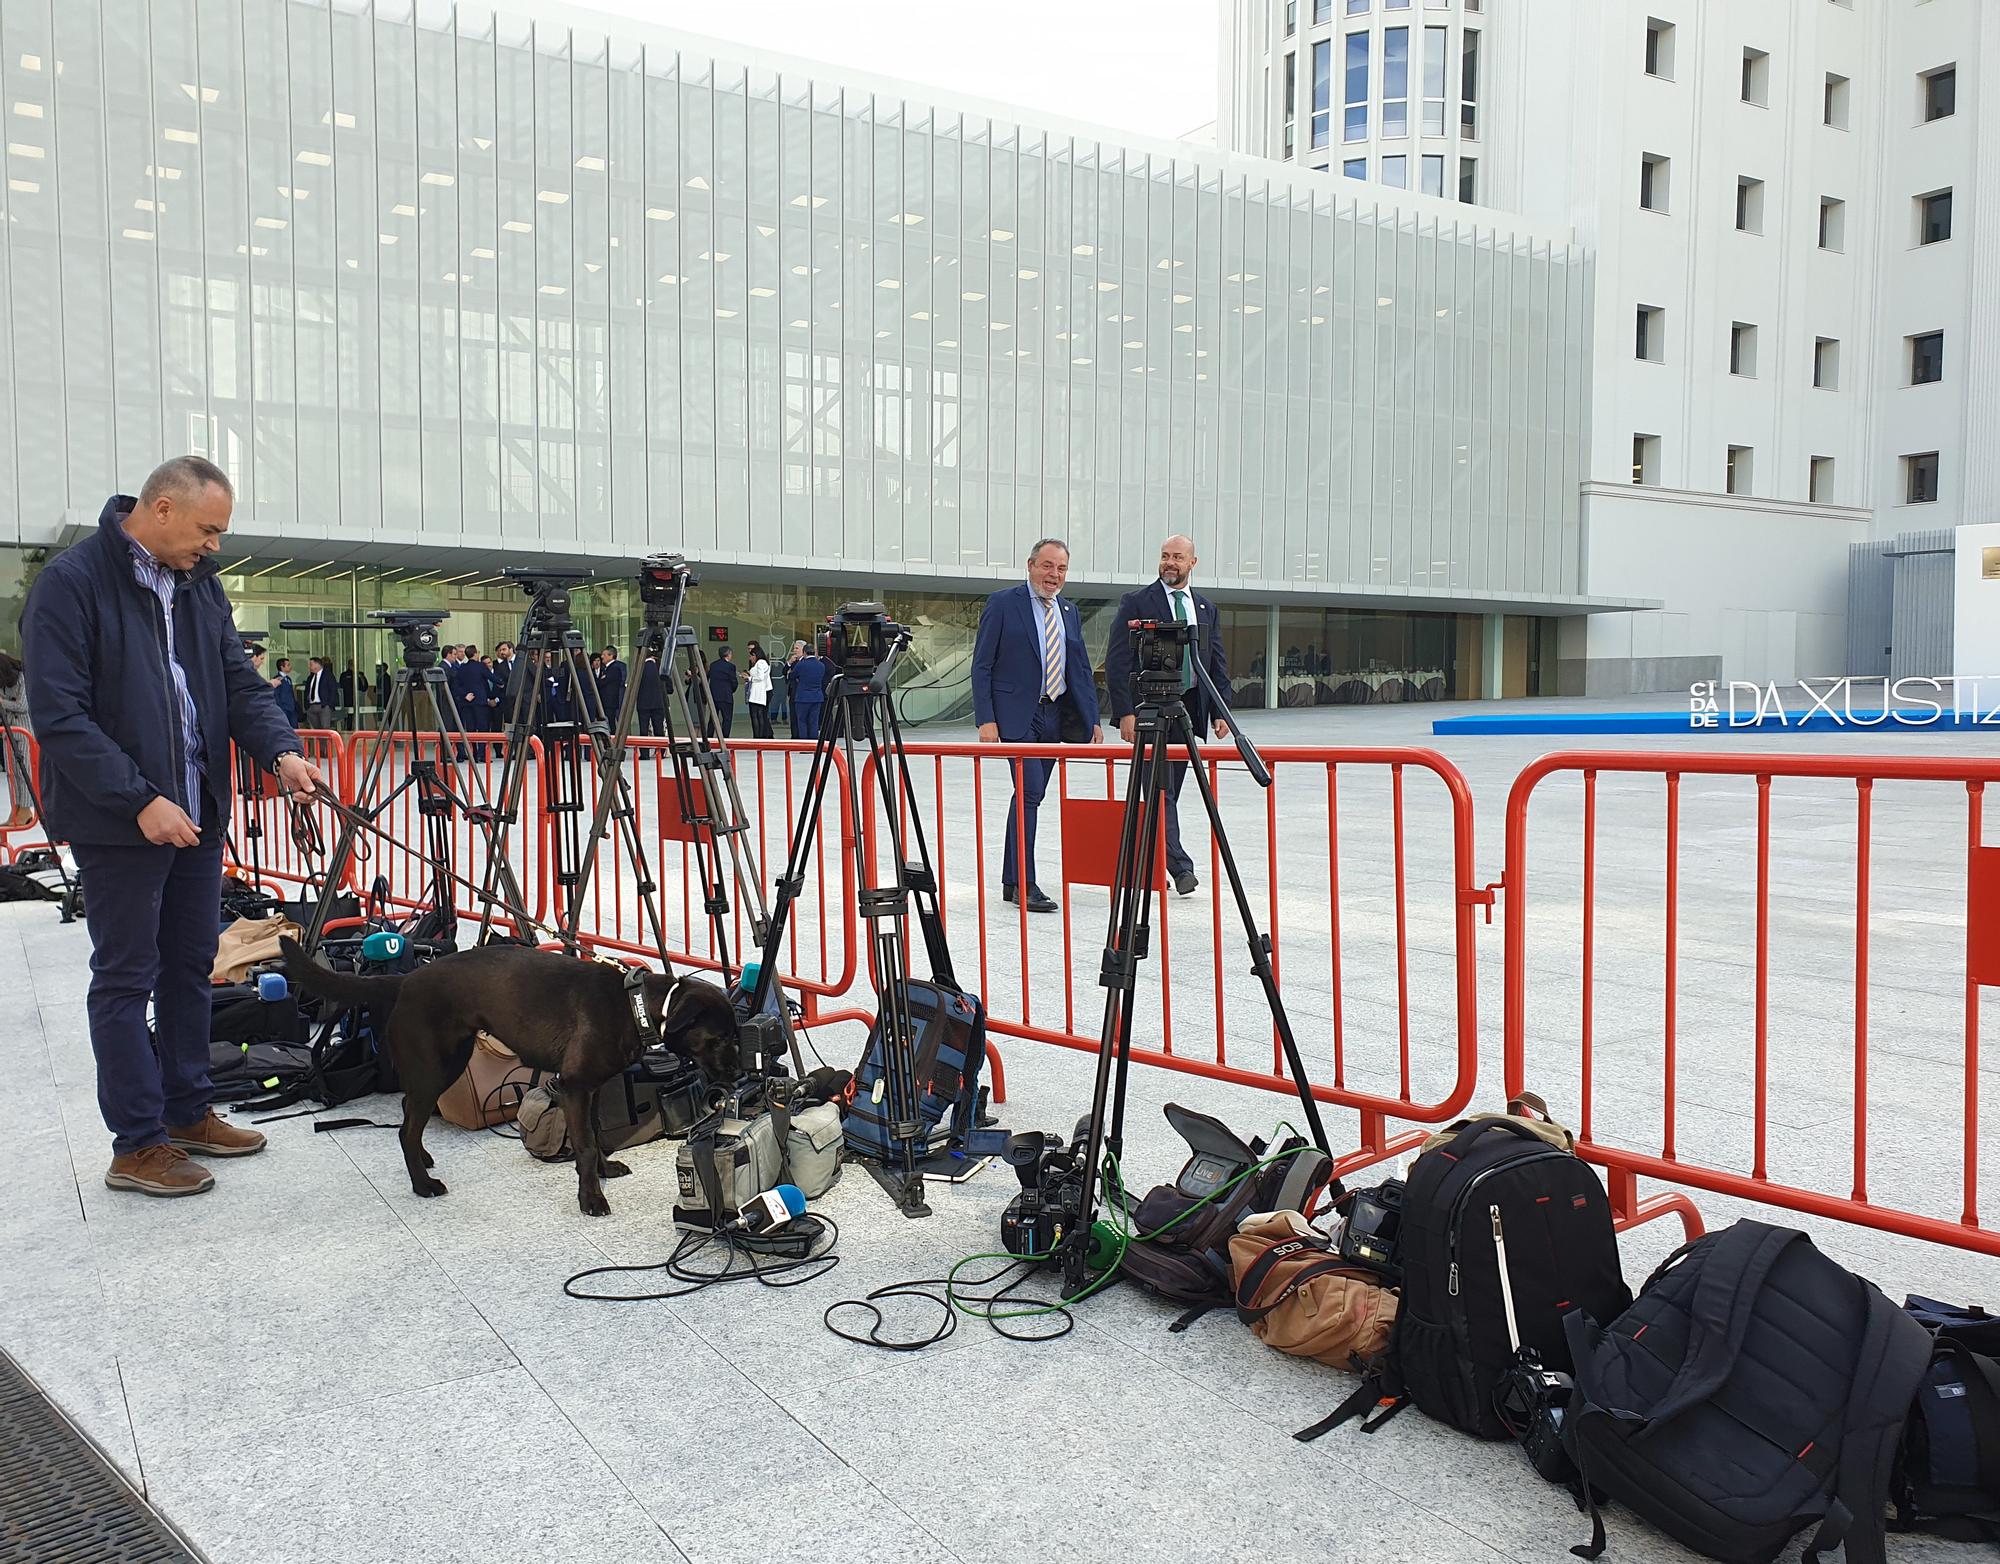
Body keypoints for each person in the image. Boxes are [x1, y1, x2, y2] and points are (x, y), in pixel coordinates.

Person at [20, 456, 328, 1197]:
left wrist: (282, 751)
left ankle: (189, 1110)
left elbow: (237, 686)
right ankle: (138, 1143)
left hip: (196, 813)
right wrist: (138, 800)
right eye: (208, 529)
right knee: (125, 978)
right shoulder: (71, 585)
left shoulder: (200, 588)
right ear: (161, 510)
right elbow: (60, 717)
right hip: (121, 821)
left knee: (190, 966)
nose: (214, 545)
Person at [971, 537, 1103, 912]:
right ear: (1030, 565)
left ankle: (1012, 881)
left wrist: (1092, 718)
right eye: (1047, 566)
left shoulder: (1069, 610)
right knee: (1029, 795)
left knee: (1031, 797)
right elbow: (982, 665)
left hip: (1054, 715)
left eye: (1061, 568)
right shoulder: (1002, 604)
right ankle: (1025, 883)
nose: (1054, 575)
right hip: (1016, 715)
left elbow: (1078, 668)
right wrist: (986, 719)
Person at [1103, 533, 1232, 898]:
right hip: (1150, 710)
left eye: (1177, 556)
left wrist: (1220, 709)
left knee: (1169, 788)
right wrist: (1125, 712)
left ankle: (1152, 859)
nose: (1169, 563)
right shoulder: (1136, 602)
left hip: (1189, 709)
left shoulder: (1205, 608)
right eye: (1164, 556)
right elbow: (1117, 662)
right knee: (1159, 790)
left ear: (1193, 562)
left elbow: (1216, 662)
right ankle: (1179, 865)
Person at [0, 649, 35, 827]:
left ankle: (26, 810)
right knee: (12, 775)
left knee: (24, 773)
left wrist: (2, 702)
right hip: (8, 733)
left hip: (24, 731)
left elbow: (22, 705)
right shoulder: (4, 683)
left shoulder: (22, 678)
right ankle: (15, 809)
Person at [787, 638, 828, 741]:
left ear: (804, 653)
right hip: (817, 697)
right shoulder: (821, 665)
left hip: (802, 697)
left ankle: (804, 744)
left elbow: (792, 676)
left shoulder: (801, 665)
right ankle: (814, 743)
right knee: (814, 721)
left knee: (802, 721)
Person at [706, 645, 738, 737]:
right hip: (726, 695)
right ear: (728, 654)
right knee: (727, 718)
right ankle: (725, 737)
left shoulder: (713, 665)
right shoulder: (730, 666)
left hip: (714, 695)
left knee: (712, 718)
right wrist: (731, 690)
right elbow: (733, 681)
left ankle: (710, 736)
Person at [633, 650, 668, 737]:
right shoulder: (661, 667)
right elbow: (669, 687)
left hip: (643, 703)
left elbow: (634, 686)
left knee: (644, 730)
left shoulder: (639, 668)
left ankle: (644, 750)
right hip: (659, 702)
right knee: (659, 730)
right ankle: (660, 750)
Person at [744, 643, 774, 739]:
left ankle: (758, 736)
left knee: (757, 715)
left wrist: (749, 678)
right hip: (760, 692)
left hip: (758, 692)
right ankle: (761, 735)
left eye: (751, 655)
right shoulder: (762, 663)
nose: (750, 658)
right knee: (760, 715)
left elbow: (760, 677)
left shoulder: (760, 663)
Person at [303, 655, 337, 729]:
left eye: (311, 664)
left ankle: (324, 741)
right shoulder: (310, 677)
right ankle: (316, 741)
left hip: (323, 706)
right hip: (311, 706)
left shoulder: (328, 675)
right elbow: (307, 692)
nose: (309, 667)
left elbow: (333, 690)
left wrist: (329, 705)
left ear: (317, 664)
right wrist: (306, 706)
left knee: (325, 729)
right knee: (314, 730)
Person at [597, 644, 627, 721]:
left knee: (610, 722)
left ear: (611, 656)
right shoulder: (606, 668)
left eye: (604, 655)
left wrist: (601, 680)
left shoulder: (614, 668)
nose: (602, 657)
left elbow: (603, 682)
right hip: (607, 702)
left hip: (610, 702)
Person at [271, 655, 302, 726]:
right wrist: (280, 708)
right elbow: (276, 695)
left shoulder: (288, 679)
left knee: (295, 729)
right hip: (284, 709)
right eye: (288, 665)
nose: (290, 667)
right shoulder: (277, 679)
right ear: (282, 667)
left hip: (292, 708)